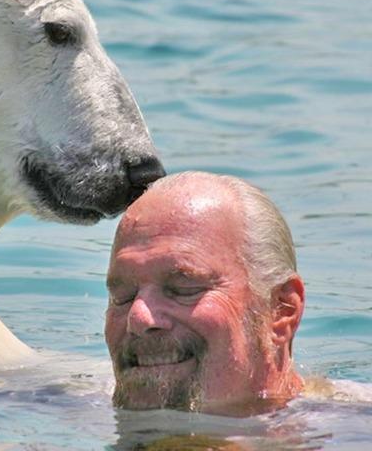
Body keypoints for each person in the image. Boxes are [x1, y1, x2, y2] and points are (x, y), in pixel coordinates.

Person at [105, 171, 305, 416]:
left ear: (281, 311)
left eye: (184, 289)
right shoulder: (64, 402)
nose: (138, 318)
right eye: (123, 296)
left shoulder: (350, 432)